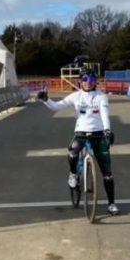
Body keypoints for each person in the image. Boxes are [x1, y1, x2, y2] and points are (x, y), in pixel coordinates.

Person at [37, 69, 119, 215]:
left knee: (108, 173)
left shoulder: (101, 97)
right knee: (73, 152)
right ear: (80, 81)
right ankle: (73, 174)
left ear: (95, 82)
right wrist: (45, 100)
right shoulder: (75, 96)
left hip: (99, 134)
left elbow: (105, 115)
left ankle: (111, 204)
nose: (89, 83)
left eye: (92, 80)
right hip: (81, 133)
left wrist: (107, 131)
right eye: (86, 80)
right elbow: (57, 106)